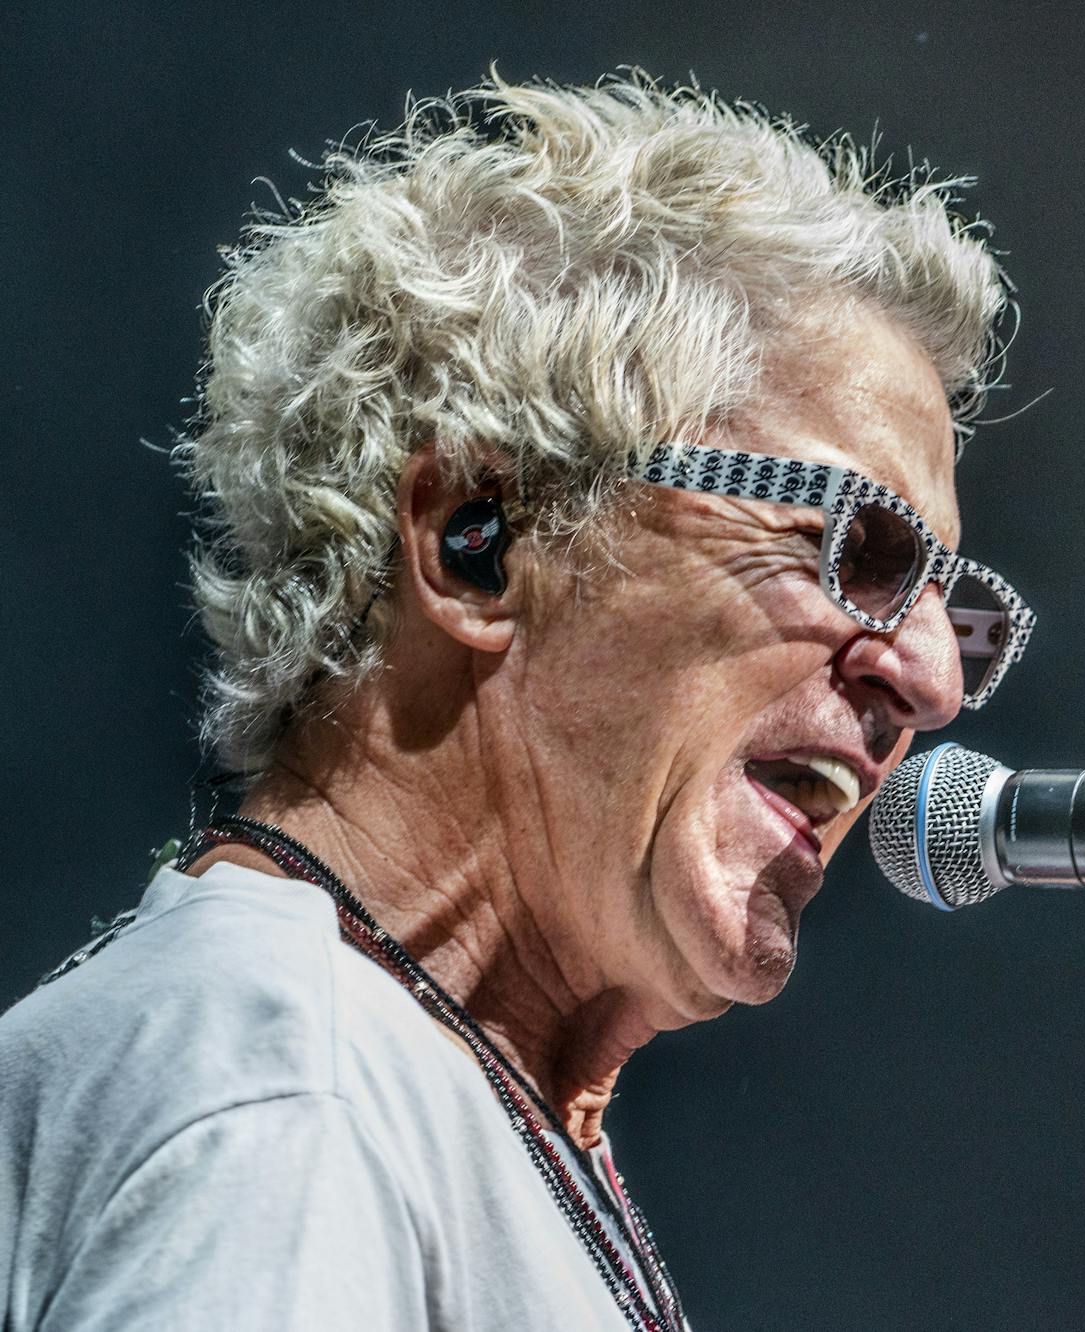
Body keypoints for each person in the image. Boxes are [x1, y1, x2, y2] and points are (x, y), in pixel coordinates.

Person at [0, 72, 1032, 1330]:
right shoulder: (293, 1100)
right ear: (475, 541)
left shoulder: (381, 1070)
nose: (926, 678)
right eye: (859, 549)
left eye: (949, 604)